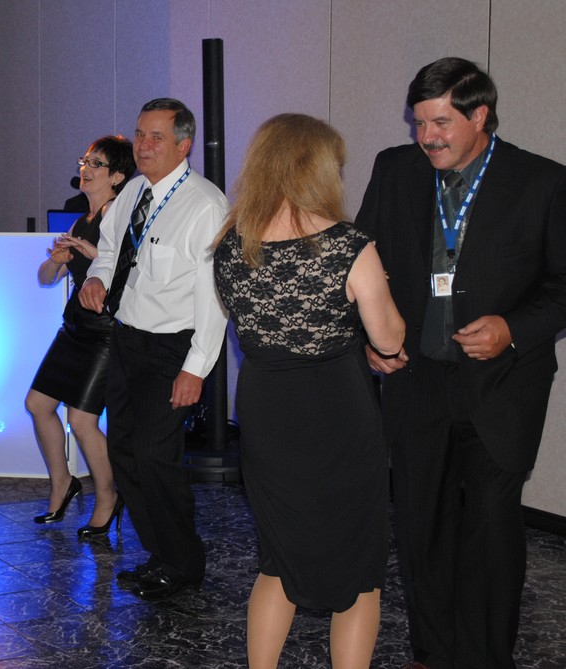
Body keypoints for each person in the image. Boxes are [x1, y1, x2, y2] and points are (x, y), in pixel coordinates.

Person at [356, 57, 566, 669]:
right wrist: (369, 337)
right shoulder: (395, 169)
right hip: (417, 380)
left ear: (480, 116)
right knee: (422, 526)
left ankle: (485, 658)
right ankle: (433, 652)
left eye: (440, 123)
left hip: (502, 387)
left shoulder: (542, 182)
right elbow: (362, 262)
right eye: (419, 122)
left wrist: (512, 329)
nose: (426, 138)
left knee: (490, 530)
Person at [213, 113, 405, 668]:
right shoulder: (348, 245)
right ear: (317, 169)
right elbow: (389, 340)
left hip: (266, 408)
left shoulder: (231, 245)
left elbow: (256, 327)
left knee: (278, 558)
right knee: (359, 567)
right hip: (336, 411)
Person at [78, 98, 228, 600]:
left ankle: (183, 564)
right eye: (140, 134)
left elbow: (214, 299)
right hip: (126, 339)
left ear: (184, 145)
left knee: (154, 456)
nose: (143, 145)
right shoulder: (134, 192)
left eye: (156, 137)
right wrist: (97, 279)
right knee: (124, 452)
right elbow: (110, 250)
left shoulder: (205, 206)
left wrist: (195, 369)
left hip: (173, 349)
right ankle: (159, 556)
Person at [27, 135, 135, 535]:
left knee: (82, 420)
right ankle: (63, 483)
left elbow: (126, 268)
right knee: (38, 404)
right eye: (84, 161)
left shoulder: (118, 214)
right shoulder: (80, 219)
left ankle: (108, 496)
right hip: (74, 328)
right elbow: (45, 278)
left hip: (105, 332)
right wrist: (56, 260)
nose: (85, 169)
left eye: (96, 164)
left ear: (117, 176)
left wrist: (91, 254)